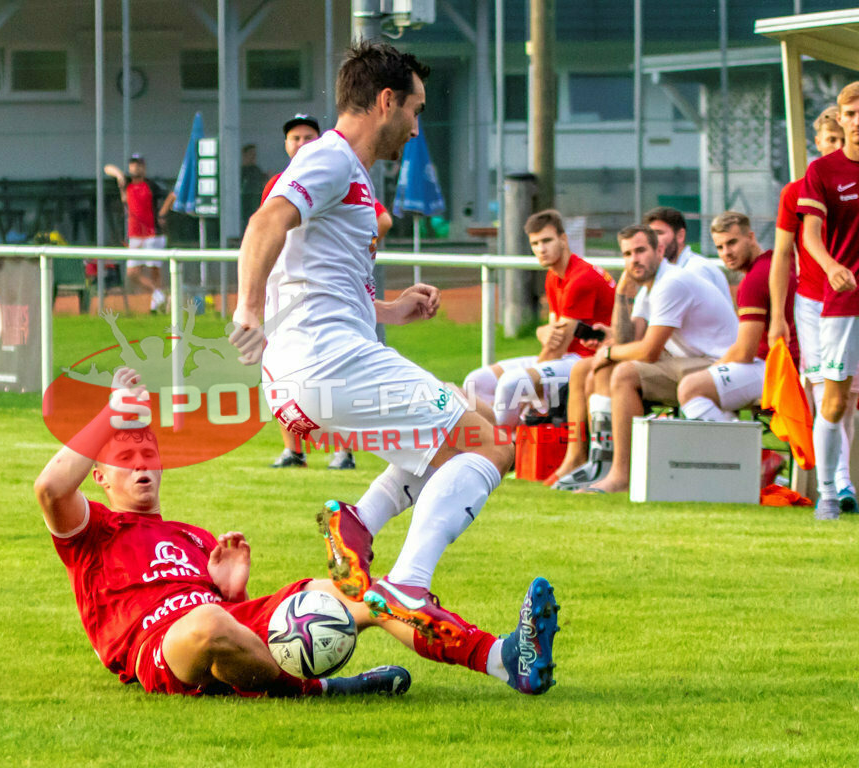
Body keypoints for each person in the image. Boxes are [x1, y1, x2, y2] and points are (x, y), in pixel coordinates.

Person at [230, 41, 535, 644]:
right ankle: (408, 585)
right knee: (490, 446)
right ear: (386, 100)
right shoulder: (331, 158)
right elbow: (266, 222)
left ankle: (358, 524)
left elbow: (317, 277)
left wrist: (390, 309)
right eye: (415, 111)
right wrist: (248, 307)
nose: (417, 128)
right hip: (327, 361)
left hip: (313, 367)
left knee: (461, 422)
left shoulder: (350, 174)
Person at [33, 367, 559, 698]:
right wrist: (112, 414)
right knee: (209, 623)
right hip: (159, 646)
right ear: (99, 477)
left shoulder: (192, 536)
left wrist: (231, 589)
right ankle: (325, 688)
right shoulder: (93, 529)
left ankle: (503, 658)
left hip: (224, 620)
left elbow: (229, 623)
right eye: (124, 457)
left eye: (148, 453)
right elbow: (50, 489)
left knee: (364, 594)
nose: (141, 464)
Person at [552, 224, 737, 493]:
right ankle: (597, 462)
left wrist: (608, 352)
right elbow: (629, 340)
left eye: (640, 251)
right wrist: (621, 295)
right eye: (627, 254)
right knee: (594, 369)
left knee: (624, 372)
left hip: (720, 367)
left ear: (659, 250)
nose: (634, 260)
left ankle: (621, 473)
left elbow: (648, 351)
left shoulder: (671, 283)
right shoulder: (650, 286)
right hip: (693, 362)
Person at [264, 114, 393, 471]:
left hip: (331, 303)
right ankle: (294, 451)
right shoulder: (280, 183)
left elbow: (381, 219)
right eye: (295, 138)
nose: (302, 143)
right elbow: (267, 227)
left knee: (338, 377)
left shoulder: (336, 170)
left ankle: (343, 451)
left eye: (309, 137)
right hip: (289, 300)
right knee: (283, 376)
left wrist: (351, 247)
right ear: (286, 144)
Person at [768, 105, 853, 512]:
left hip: (850, 301)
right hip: (814, 304)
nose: (836, 146)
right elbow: (783, 255)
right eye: (830, 140)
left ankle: (840, 483)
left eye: (842, 139)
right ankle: (836, 487)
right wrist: (777, 316)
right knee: (825, 395)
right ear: (817, 142)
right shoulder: (795, 192)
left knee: (846, 400)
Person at [463, 209, 615, 429]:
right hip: (566, 357)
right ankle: (503, 436)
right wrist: (540, 332)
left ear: (563, 239)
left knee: (512, 384)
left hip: (587, 360)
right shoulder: (554, 275)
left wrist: (530, 384)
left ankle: (501, 444)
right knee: (475, 381)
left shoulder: (580, 279)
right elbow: (553, 335)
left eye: (547, 241)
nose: (541, 249)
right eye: (535, 243)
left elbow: (556, 348)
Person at [677, 212, 798, 482]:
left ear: (750, 237)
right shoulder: (777, 264)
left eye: (732, 243)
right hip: (794, 366)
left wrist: (714, 369)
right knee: (708, 386)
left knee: (691, 388)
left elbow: (744, 352)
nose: (726, 253)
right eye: (720, 247)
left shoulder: (755, 279)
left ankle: (756, 461)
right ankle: (754, 472)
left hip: (780, 371)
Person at [795, 81, 859, 520]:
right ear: (840, 118)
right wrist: (831, 265)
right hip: (844, 301)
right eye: (850, 114)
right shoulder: (823, 171)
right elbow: (810, 236)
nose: (857, 122)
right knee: (834, 402)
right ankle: (829, 494)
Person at [104, 154, 173, 313]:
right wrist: (118, 174)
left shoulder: (151, 185)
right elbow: (107, 168)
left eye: (139, 165)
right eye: (133, 165)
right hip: (134, 235)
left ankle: (155, 305)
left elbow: (171, 195)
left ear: (144, 167)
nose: (136, 168)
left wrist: (162, 213)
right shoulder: (126, 183)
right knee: (132, 273)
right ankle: (160, 294)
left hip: (152, 234)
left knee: (154, 270)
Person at [643, 206, 732, 304]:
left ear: (680, 236)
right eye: (650, 236)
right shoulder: (661, 273)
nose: (653, 241)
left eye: (659, 233)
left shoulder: (696, 270)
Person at [240, 144, 269, 229]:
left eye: (254, 154)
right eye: (251, 154)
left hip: (257, 201)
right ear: (244, 155)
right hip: (246, 202)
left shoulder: (256, 170)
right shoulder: (241, 171)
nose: (253, 157)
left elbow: (263, 183)